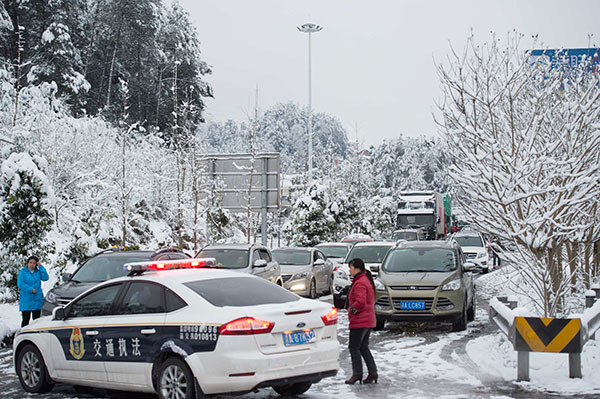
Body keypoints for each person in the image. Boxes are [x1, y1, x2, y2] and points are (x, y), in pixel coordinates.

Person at [345, 258, 378, 385]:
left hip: (360, 321)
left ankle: (357, 373)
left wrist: (352, 311)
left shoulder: (360, 283)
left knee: (354, 347)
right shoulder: (364, 280)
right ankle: (372, 372)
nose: (350, 270)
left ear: (357, 268)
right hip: (368, 320)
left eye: (351, 267)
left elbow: (360, 302)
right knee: (363, 347)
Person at [17, 255, 49, 327]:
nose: (32, 264)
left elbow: (45, 278)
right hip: (26, 299)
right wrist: (30, 289)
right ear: (27, 263)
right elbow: (20, 284)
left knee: (37, 320)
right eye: (30, 262)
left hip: (37, 299)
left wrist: (41, 267)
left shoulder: (38, 272)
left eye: (34, 263)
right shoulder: (23, 272)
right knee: (25, 320)